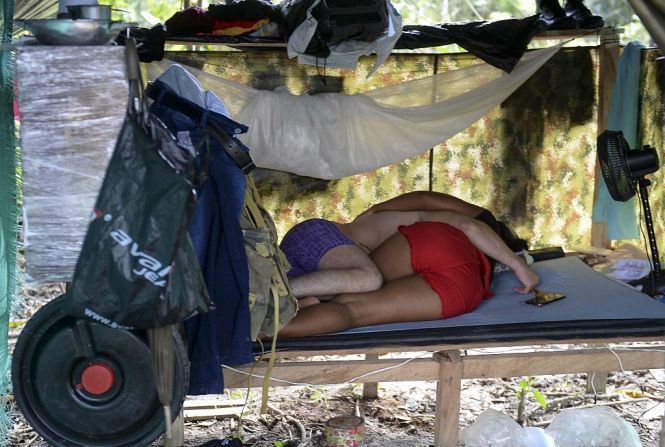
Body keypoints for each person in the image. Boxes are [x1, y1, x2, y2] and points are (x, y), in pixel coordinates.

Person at [277, 192, 539, 338]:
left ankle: (270, 309)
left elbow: (457, 218)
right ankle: (256, 333)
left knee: (361, 283)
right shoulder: (481, 257)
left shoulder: (446, 220)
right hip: (466, 288)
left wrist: (519, 266)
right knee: (353, 309)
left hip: (434, 243)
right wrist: (518, 265)